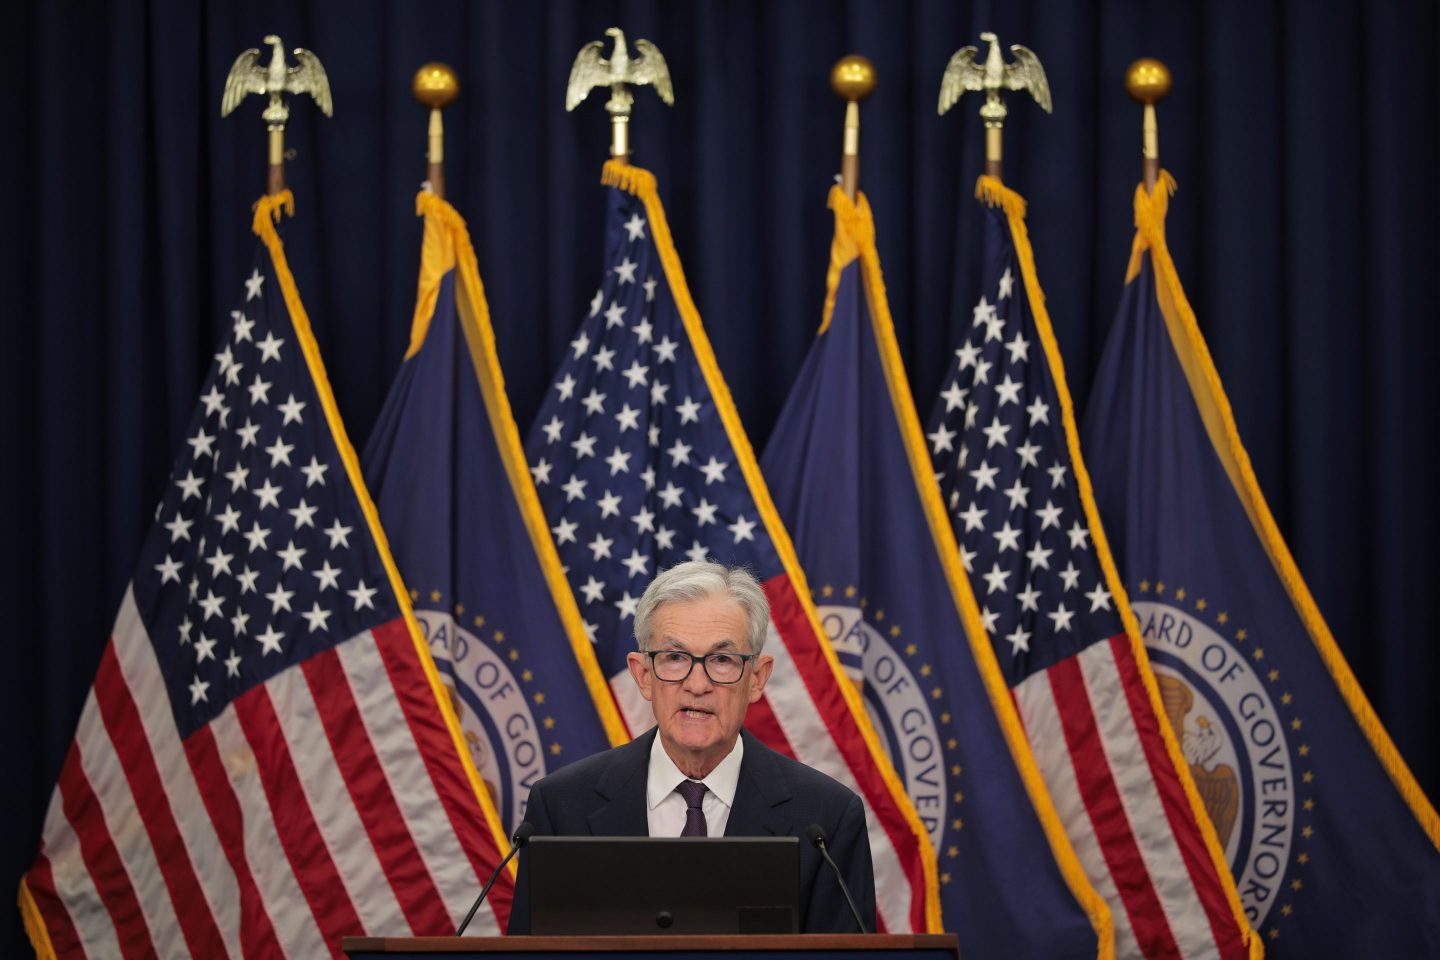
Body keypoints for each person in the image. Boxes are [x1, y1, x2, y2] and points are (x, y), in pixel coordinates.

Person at [505, 559, 877, 934]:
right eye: (675, 658)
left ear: (757, 679)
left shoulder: (826, 820)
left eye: (721, 660)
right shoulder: (562, 808)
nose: (697, 684)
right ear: (644, 675)